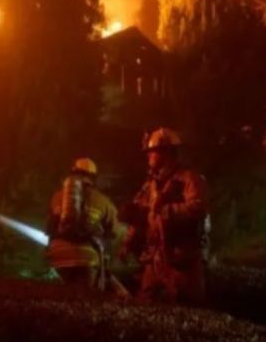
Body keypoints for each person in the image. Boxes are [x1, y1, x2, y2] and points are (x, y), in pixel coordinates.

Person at [119, 128, 209, 304]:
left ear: (166, 153)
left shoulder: (189, 179)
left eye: (151, 152)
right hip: (155, 259)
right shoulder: (151, 185)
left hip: (181, 261)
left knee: (188, 307)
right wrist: (128, 241)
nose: (148, 157)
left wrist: (168, 211)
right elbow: (143, 215)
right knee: (146, 304)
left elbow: (198, 208)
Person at [45, 157, 120, 291]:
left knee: (65, 298)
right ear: (93, 178)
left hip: (57, 256)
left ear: (73, 173)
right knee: (84, 299)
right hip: (86, 259)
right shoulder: (102, 200)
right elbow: (115, 231)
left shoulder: (57, 196)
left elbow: (49, 226)